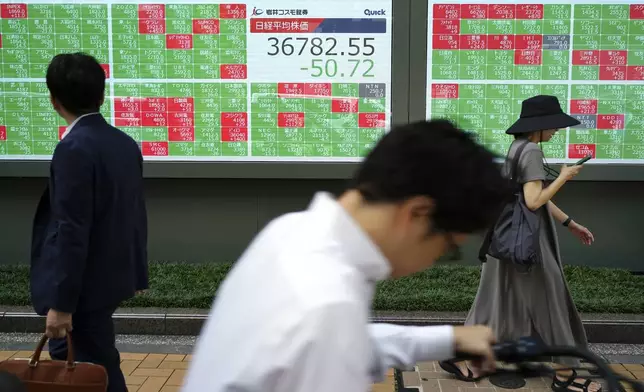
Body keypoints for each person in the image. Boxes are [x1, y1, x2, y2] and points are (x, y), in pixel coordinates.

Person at [182, 120, 513, 392]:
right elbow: (331, 336)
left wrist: (449, 338)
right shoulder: (329, 304)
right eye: (447, 249)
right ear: (417, 213)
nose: (432, 262)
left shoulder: (291, 230)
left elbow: (337, 347)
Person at [440, 95, 600, 392]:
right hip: (530, 245)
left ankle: (464, 355)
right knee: (550, 302)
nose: (555, 131)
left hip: (508, 241)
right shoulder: (532, 153)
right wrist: (564, 176)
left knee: (497, 300)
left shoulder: (517, 149)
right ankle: (565, 375)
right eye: (552, 125)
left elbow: (530, 198)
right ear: (538, 127)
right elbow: (534, 200)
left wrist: (570, 223)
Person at [30, 53, 148, 392]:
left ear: (55, 100)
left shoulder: (74, 149)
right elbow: (134, 212)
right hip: (110, 278)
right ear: (101, 94)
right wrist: (136, 270)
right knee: (98, 360)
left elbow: (71, 230)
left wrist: (62, 305)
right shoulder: (124, 143)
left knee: (88, 368)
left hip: (83, 287)